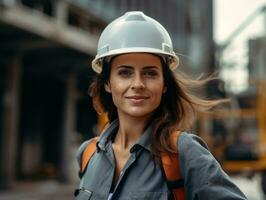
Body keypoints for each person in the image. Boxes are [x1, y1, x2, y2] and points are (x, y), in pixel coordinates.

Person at [75, 11, 247, 200]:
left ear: (165, 84)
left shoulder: (183, 152)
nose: (138, 84)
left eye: (150, 73)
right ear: (107, 83)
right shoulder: (88, 154)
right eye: (125, 73)